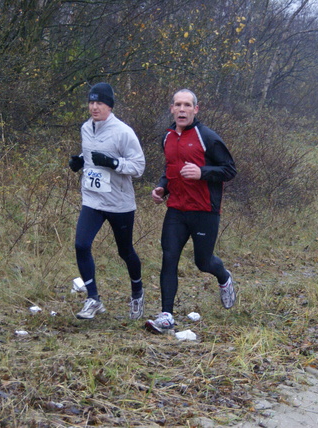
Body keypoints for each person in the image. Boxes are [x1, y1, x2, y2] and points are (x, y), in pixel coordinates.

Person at [145, 89, 237, 334]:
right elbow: (171, 168)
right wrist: (162, 188)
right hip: (176, 209)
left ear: (196, 109)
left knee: (203, 262)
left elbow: (229, 170)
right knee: (169, 257)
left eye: (187, 105)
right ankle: (166, 316)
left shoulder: (207, 136)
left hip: (204, 210)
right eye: (178, 105)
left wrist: (202, 172)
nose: (182, 109)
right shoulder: (166, 137)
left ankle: (224, 276)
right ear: (172, 109)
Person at [68, 82, 146, 320]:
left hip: (119, 203)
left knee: (125, 251)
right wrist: (81, 160)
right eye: (91, 102)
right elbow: (92, 151)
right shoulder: (85, 128)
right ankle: (93, 298)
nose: (94, 107)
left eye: (99, 103)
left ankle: (137, 293)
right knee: (81, 245)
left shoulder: (123, 132)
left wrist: (113, 163)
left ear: (109, 106)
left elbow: (139, 166)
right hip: (92, 200)